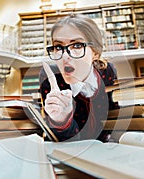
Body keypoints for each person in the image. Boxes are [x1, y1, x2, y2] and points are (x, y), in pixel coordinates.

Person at [39, 14, 117, 142]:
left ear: (95, 53)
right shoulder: (50, 77)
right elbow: (64, 140)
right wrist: (62, 120)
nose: (65, 56)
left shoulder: (108, 72)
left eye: (77, 46)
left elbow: (113, 118)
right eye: (58, 47)